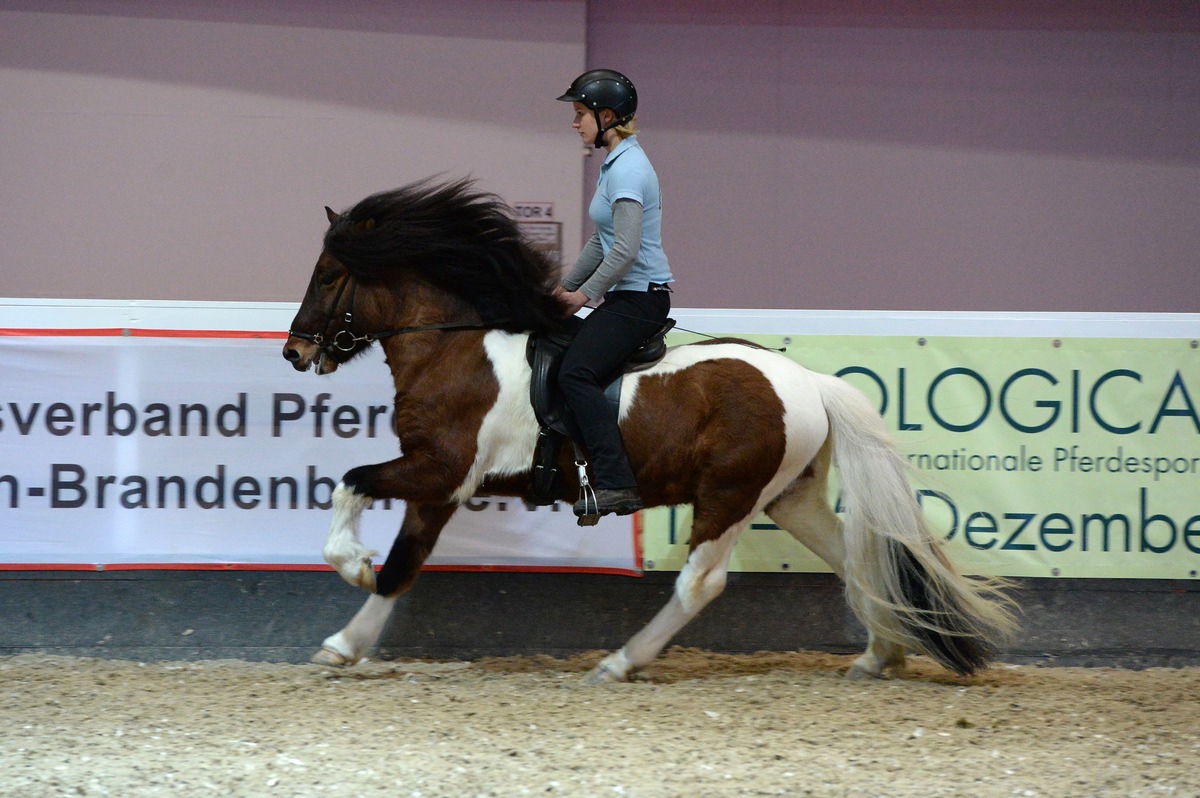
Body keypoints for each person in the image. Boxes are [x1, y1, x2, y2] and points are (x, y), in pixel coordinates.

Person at [553, 69, 674, 519]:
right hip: (625, 294)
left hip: (640, 298)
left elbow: (623, 251)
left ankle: (616, 482)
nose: (575, 122)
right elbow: (599, 243)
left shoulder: (629, 170)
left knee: (576, 374)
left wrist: (582, 296)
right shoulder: (613, 164)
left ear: (607, 116)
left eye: (580, 114)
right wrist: (562, 290)